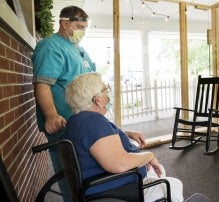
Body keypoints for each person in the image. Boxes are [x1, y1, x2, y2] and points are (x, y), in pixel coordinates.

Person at [64, 72, 184, 201]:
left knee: (159, 170)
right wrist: (149, 155)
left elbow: (98, 139)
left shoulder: (76, 121)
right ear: (98, 99)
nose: (107, 94)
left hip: (100, 183)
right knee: (174, 185)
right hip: (114, 190)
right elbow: (120, 164)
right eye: (105, 90)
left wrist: (126, 134)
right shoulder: (94, 122)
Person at [32, 5, 96, 199]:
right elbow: (42, 84)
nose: (82, 32)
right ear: (65, 23)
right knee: (71, 174)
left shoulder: (78, 49)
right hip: (64, 123)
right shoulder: (51, 46)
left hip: (84, 121)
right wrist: (51, 115)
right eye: (78, 26)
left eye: (85, 28)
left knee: (87, 169)